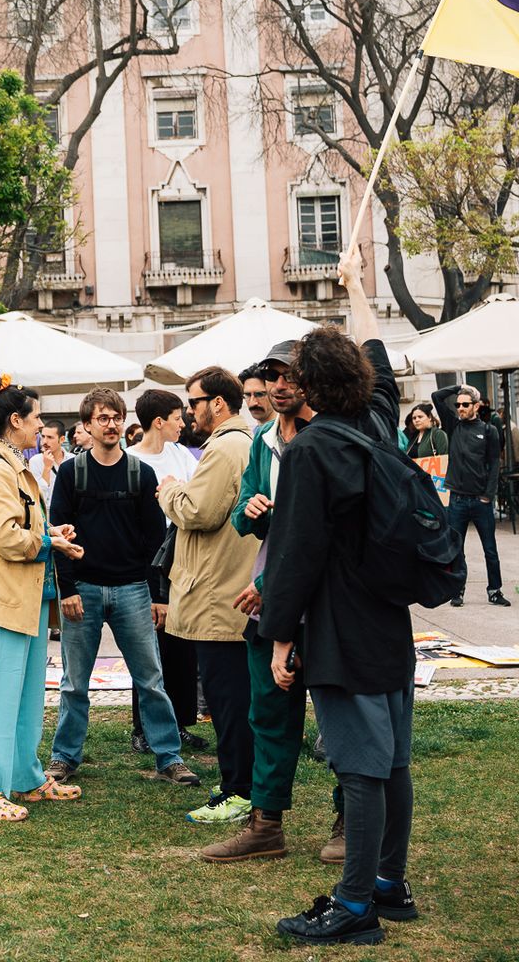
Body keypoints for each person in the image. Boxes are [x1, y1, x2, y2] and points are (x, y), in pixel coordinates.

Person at [260, 271, 416, 947]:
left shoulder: (310, 451)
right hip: (390, 621)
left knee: (359, 767)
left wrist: (277, 638)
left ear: (312, 388)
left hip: (340, 628)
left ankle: (355, 906)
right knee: (394, 762)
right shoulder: (380, 424)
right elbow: (381, 364)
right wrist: (356, 289)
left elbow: (293, 558)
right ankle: (388, 882)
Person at [203, 338, 341, 864]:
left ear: (311, 381)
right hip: (272, 594)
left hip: (323, 600)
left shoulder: (329, 435)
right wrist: (253, 509)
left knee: (336, 720)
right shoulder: (262, 438)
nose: (279, 386)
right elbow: (241, 515)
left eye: (289, 377)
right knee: (268, 713)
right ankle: (266, 825)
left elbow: (324, 531)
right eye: (271, 377)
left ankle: (347, 819)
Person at [47, 388, 201, 788]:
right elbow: (58, 537)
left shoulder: (140, 473)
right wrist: (67, 590)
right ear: (87, 426)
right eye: (102, 418)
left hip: (133, 589)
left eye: (116, 417)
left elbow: (155, 543)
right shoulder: (71, 473)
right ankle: (65, 757)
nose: (111, 424)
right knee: (74, 683)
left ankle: (168, 756)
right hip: (84, 589)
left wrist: (158, 595)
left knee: (150, 678)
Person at [0, 371, 84, 822]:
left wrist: (50, 533)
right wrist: (50, 541)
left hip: (29, 596)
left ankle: (25, 778)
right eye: (36, 418)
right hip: (6, 596)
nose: (41, 426)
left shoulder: (13, 465)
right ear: (15, 420)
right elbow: (6, 537)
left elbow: (22, 530)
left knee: (28, 693)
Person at [155, 367, 258, 823]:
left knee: (228, 699)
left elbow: (198, 511)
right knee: (230, 696)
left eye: (192, 400)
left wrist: (170, 490)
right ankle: (239, 780)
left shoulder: (227, 447)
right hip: (225, 590)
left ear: (218, 403)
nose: (186, 410)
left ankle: (239, 791)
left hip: (221, 595)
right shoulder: (239, 442)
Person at [128, 389, 207, 754]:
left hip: (181, 559)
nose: (183, 422)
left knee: (180, 645)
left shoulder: (181, 455)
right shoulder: (130, 461)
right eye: (177, 417)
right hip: (144, 563)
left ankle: (179, 723)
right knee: (147, 649)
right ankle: (143, 728)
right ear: (158, 421)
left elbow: (195, 498)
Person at [431, 382, 506, 608]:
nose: (461, 408)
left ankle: (495, 590)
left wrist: (488, 495)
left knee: (490, 549)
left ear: (476, 406)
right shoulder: (453, 425)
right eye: (458, 405)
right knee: (457, 549)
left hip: (480, 500)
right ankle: (458, 590)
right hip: (457, 499)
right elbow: (436, 396)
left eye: (465, 404)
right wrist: (459, 387)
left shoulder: (488, 430)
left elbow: (494, 464)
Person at [28, 421, 66, 510]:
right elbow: (39, 496)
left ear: (62, 439)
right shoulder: (35, 461)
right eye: (43, 436)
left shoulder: (73, 459)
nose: (45, 441)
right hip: (47, 513)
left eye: (50, 437)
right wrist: (47, 468)